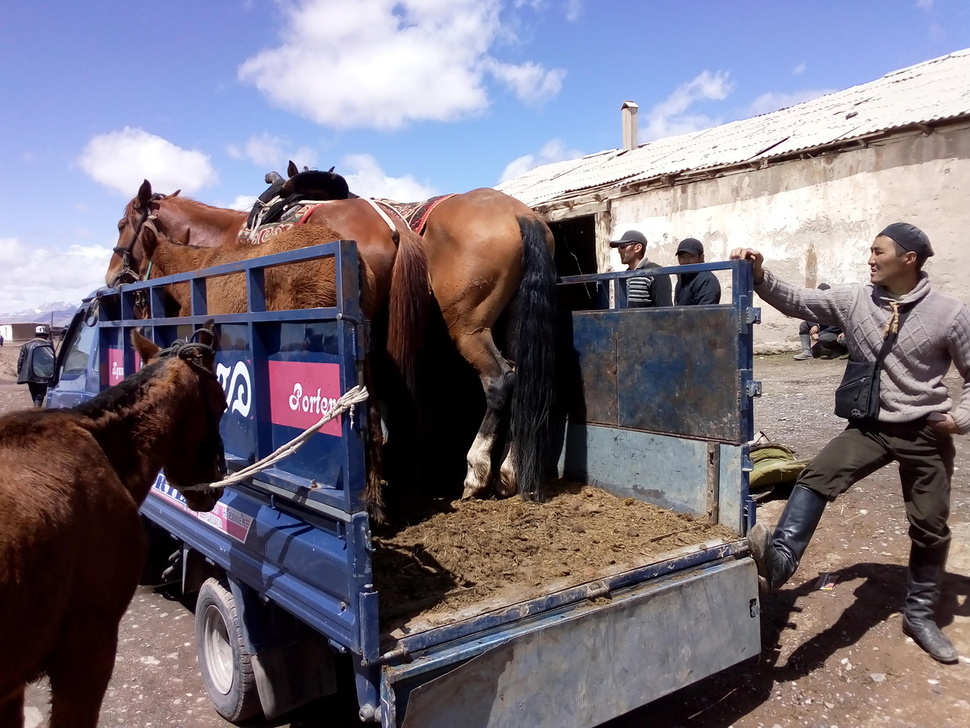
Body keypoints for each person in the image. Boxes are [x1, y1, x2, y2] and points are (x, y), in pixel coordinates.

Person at [731, 222, 969, 664]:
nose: (870, 259)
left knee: (930, 525)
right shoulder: (855, 299)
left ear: (909, 258)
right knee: (815, 477)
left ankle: (918, 616)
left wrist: (960, 418)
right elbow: (800, 301)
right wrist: (761, 275)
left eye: (878, 252)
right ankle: (781, 561)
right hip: (871, 426)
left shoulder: (950, 313)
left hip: (924, 431)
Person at [610, 230, 672, 307]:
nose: (619, 251)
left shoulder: (657, 274)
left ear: (638, 248)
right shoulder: (624, 276)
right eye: (618, 248)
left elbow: (665, 312)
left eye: (622, 246)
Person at [794, 283, 847, 360]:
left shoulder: (834, 305)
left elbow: (836, 326)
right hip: (823, 331)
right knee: (803, 325)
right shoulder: (817, 304)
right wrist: (814, 325)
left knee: (824, 338)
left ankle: (839, 350)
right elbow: (809, 315)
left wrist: (819, 334)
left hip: (834, 333)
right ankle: (807, 352)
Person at [17, 325, 55, 408]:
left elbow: (20, 360)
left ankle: (36, 409)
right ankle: (36, 411)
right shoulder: (47, 345)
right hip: (42, 374)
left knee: (34, 394)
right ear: (45, 335)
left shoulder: (26, 345)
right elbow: (51, 359)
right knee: (40, 395)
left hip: (29, 374)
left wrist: (19, 372)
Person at [674, 238, 721, 305]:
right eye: (682, 256)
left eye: (691, 256)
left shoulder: (707, 280)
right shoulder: (683, 277)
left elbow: (704, 313)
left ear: (701, 257)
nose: (685, 261)